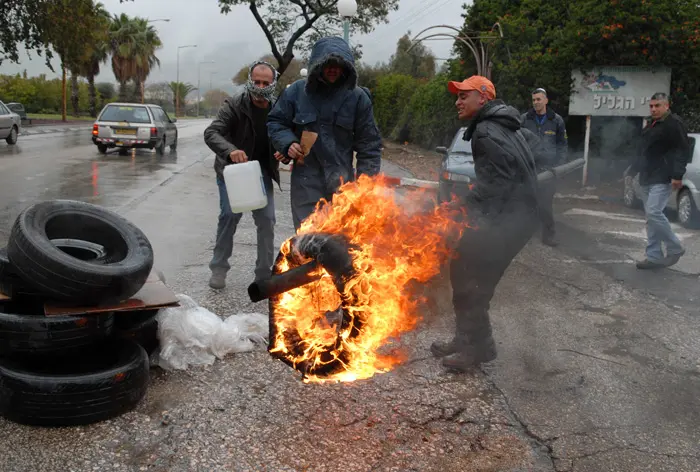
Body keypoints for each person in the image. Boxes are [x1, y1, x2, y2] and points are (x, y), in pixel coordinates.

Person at [431, 76, 540, 372]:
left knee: (472, 283)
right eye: (457, 96)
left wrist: (467, 213)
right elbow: (505, 172)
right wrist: (464, 204)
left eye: (464, 96)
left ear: (483, 98)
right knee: (463, 271)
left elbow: (497, 186)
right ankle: (469, 339)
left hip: (507, 222)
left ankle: (475, 349)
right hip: (514, 217)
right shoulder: (502, 125)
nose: (458, 101)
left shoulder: (485, 132)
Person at [267, 36, 382, 230]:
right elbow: (275, 122)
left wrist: (365, 186)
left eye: (338, 65)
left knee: (340, 246)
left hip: (343, 187)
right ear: (316, 65)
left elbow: (369, 146)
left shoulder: (357, 98)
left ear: (347, 67)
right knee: (307, 243)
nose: (333, 70)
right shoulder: (296, 92)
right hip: (305, 185)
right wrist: (288, 143)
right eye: (328, 64)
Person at [203, 61, 282, 289]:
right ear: (249, 80)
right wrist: (230, 151)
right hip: (234, 173)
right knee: (229, 215)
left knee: (267, 220)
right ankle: (219, 269)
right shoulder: (235, 104)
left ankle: (264, 273)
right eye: (256, 81)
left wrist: (283, 150)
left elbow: (286, 134)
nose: (260, 87)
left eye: (265, 83)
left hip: (261, 173)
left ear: (273, 83)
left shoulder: (278, 108)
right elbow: (212, 132)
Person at [627, 92, 690, 269]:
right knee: (651, 218)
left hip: (662, 177)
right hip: (647, 177)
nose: (653, 109)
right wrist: (633, 170)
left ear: (666, 106)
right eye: (651, 106)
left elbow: (682, 150)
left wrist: (677, 175)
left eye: (657, 106)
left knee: (654, 212)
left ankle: (675, 247)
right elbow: (644, 152)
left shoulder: (673, 124)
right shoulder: (651, 124)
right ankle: (653, 256)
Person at [520, 87, 568, 247]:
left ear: (546, 100)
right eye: (533, 100)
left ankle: (549, 236)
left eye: (539, 99)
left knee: (545, 204)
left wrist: (558, 167)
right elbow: (517, 141)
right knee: (526, 202)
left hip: (549, 170)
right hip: (529, 168)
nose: (536, 103)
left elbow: (562, 145)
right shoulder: (524, 119)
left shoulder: (556, 120)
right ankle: (523, 234)